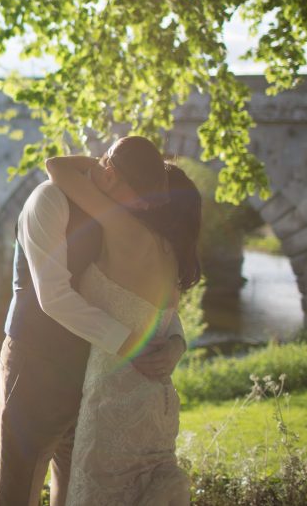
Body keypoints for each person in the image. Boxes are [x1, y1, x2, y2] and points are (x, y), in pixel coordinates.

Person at [0, 137, 188, 506]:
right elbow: (54, 297)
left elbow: (147, 295)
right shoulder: (48, 200)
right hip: (37, 362)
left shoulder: (116, 213)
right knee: (18, 488)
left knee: (73, 483)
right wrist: (132, 344)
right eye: (139, 195)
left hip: (96, 370)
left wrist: (175, 341)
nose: (143, 206)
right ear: (111, 174)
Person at [46, 156, 201, 505]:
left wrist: (105, 162)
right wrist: (177, 344)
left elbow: (55, 166)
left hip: (113, 406)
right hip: (155, 402)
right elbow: (162, 318)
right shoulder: (171, 254)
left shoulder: (126, 230)